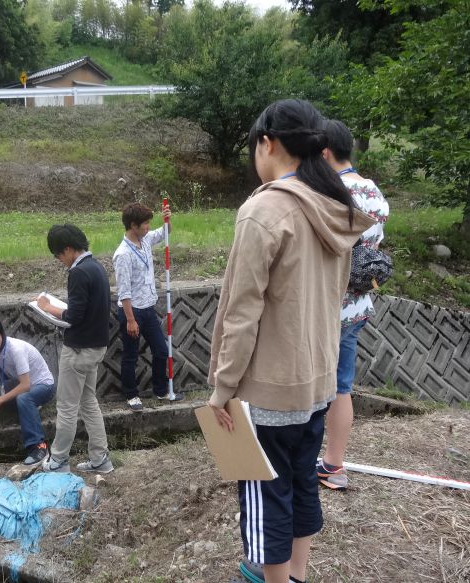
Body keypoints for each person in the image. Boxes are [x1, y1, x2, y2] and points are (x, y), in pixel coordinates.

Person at [207, 100, 375, 583]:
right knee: (302, 482)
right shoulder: (334, 208)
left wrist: (221, 389)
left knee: (266, 495)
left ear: (268, 142)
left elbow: (241, 314)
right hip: (317, 383)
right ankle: (296, 575)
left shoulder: (265, 209)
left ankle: (272, 578)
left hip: (269, 390)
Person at [317, 120, 390, 491]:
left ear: (325, 152)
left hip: (326, 307)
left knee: (315, 387)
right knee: (342, 386)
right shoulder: (374, 191)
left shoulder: (330, 190)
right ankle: (334, 464)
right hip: (359, 305)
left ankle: (303, 461)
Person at [36, 224, 113, 474]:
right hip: (96, 348)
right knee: (89, 402)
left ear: (68, 249)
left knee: (67, 407)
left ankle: (58, 460)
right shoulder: (97, 267)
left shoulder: (78, 272)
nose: (60, 260)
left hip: (78, 350)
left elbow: (74, 316)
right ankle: (101, 459)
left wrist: (48, 308)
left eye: (58, 255)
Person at [113, 202, 184, 411]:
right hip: (132, 311)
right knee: (131, 355)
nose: (147, 227)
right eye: (145, 224)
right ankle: (131, 395)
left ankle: (160, 390)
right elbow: (124, 291)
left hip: (148, 308)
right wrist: (131, 320)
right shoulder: (123, 254)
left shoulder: (144, 241)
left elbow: (164, 233)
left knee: (161, 351)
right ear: (133, 226)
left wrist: (167, 218)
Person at [0, 316, 56, 466]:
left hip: (44, 386)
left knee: (23, 398)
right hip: (23, 385)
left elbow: (25, 385)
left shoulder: (15, 349)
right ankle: (30, 409)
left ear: (1, 333)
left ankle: (39, 447)